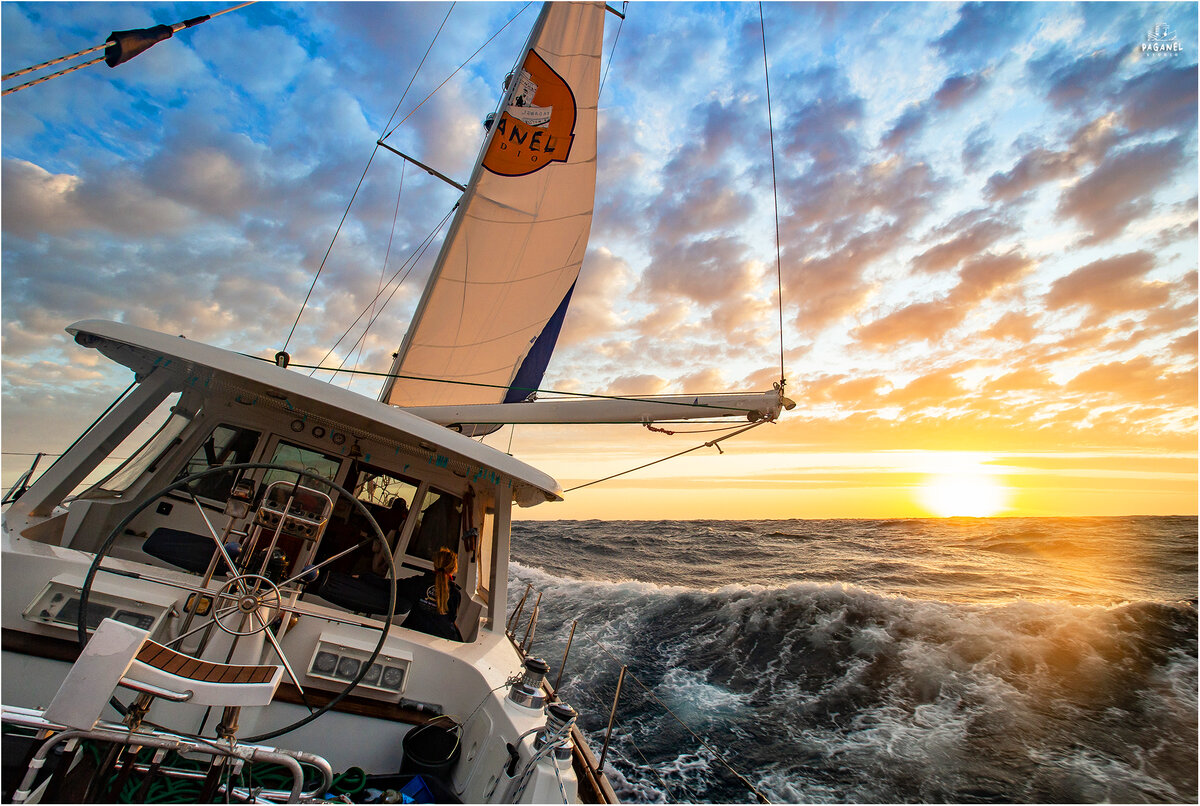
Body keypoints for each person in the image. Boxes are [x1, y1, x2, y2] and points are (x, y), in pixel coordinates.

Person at [399, 547, 462, 641]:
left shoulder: (418, 582)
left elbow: (391, 585)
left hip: (411, 634)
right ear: (454, 568)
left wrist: (369, 577)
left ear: (435, 563)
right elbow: (451, 619)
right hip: (439, 641)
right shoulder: (455, 593)